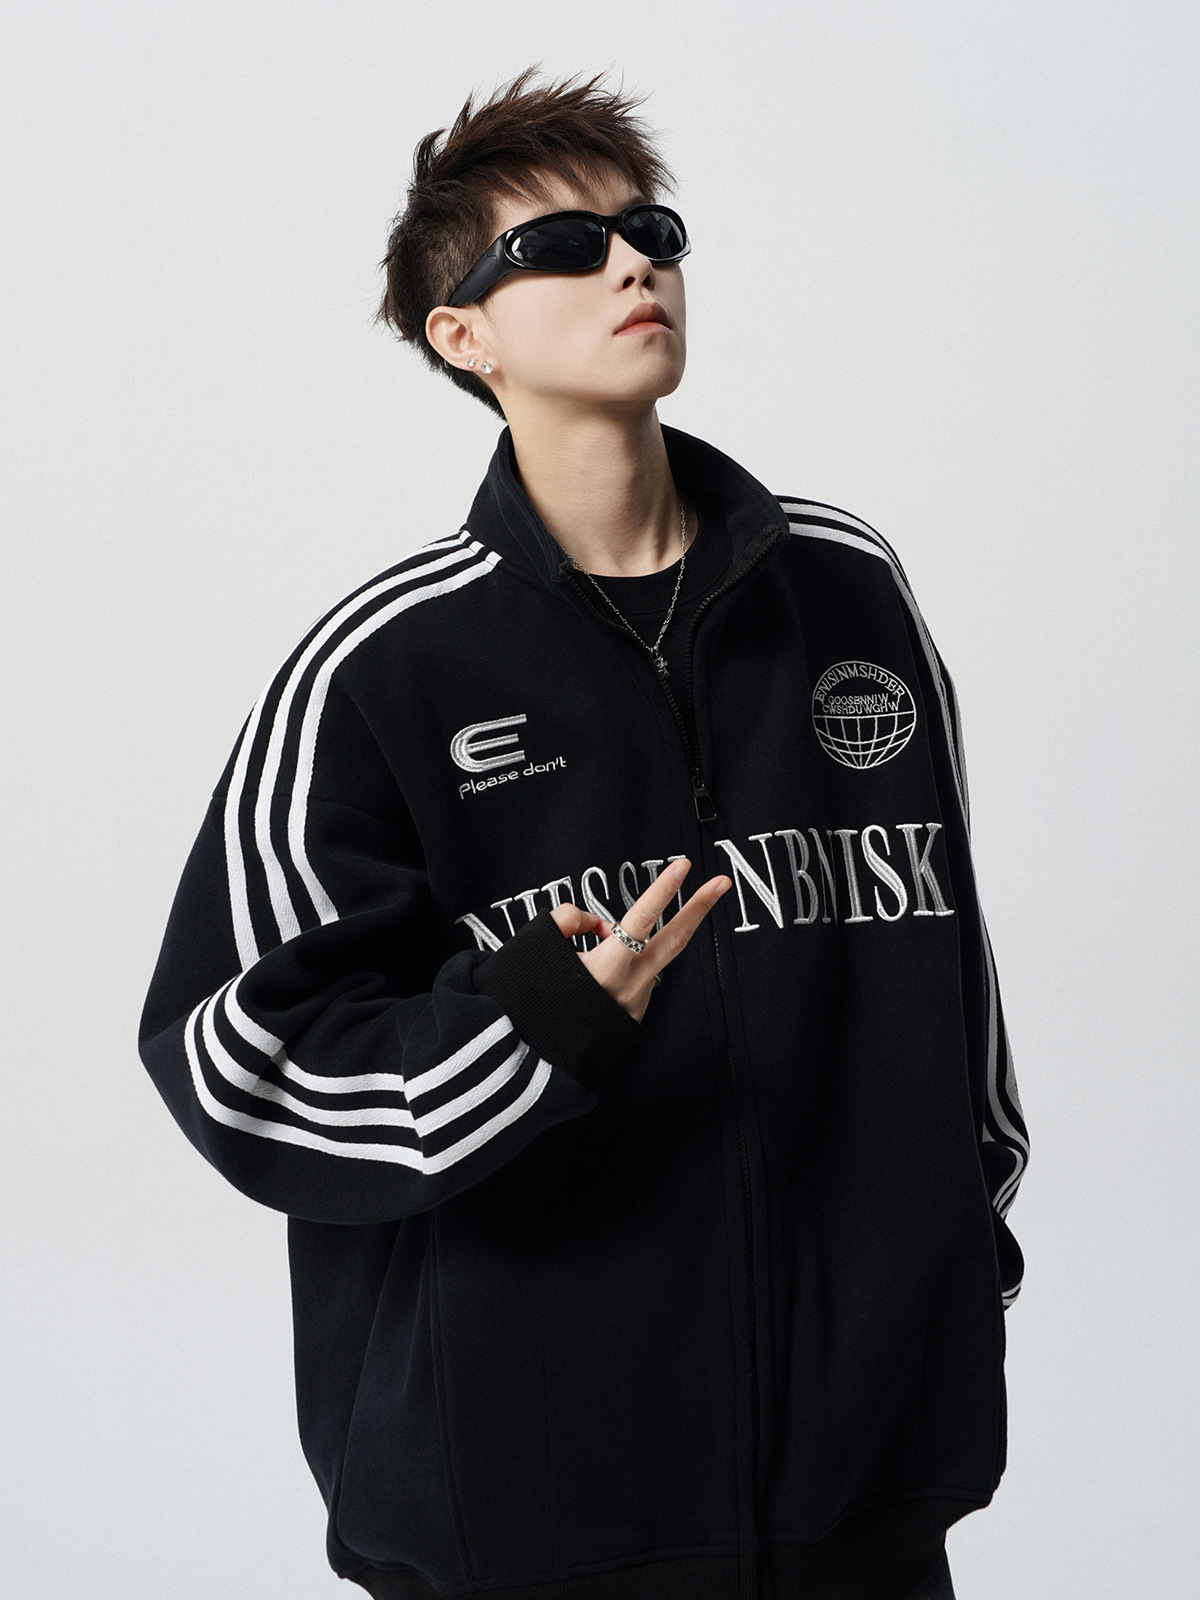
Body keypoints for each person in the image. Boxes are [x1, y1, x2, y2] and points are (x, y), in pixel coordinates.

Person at [139, 66, 1029, 1600]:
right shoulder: (386, 668)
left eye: (651, 231)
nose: (632, 265)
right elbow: (237, 1055)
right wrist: (529, 1032)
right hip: (530, 1512)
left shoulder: (847, 595)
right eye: (562, 246)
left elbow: (959, 992)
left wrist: (956, 1263)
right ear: (463, 338)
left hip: (866, 1495)